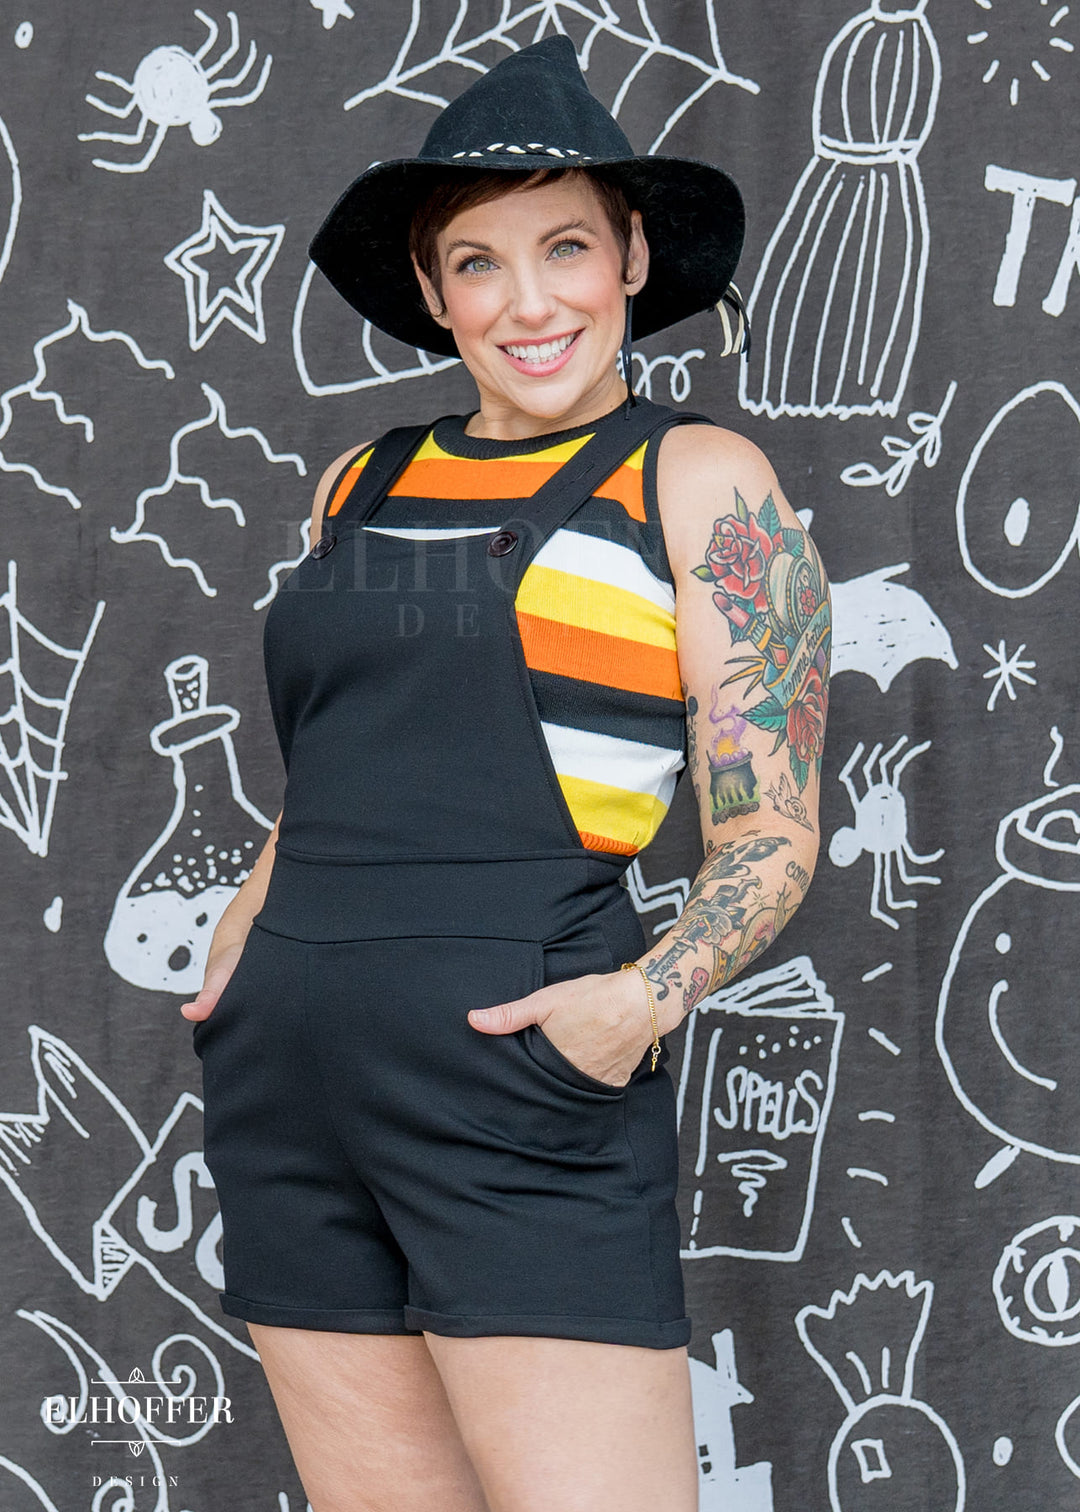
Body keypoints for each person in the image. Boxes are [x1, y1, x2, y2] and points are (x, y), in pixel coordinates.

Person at [180, 34, 829, 1512]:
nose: (529, 303)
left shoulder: (698, 479)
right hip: (292, 1072)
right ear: (432, 290)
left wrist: (639, 1004)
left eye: (566, 248)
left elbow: (775, 830)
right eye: (478, 262)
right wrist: (242, 939)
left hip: (519, 1066)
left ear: (632, 256)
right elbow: (343, 761)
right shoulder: (364, 482)